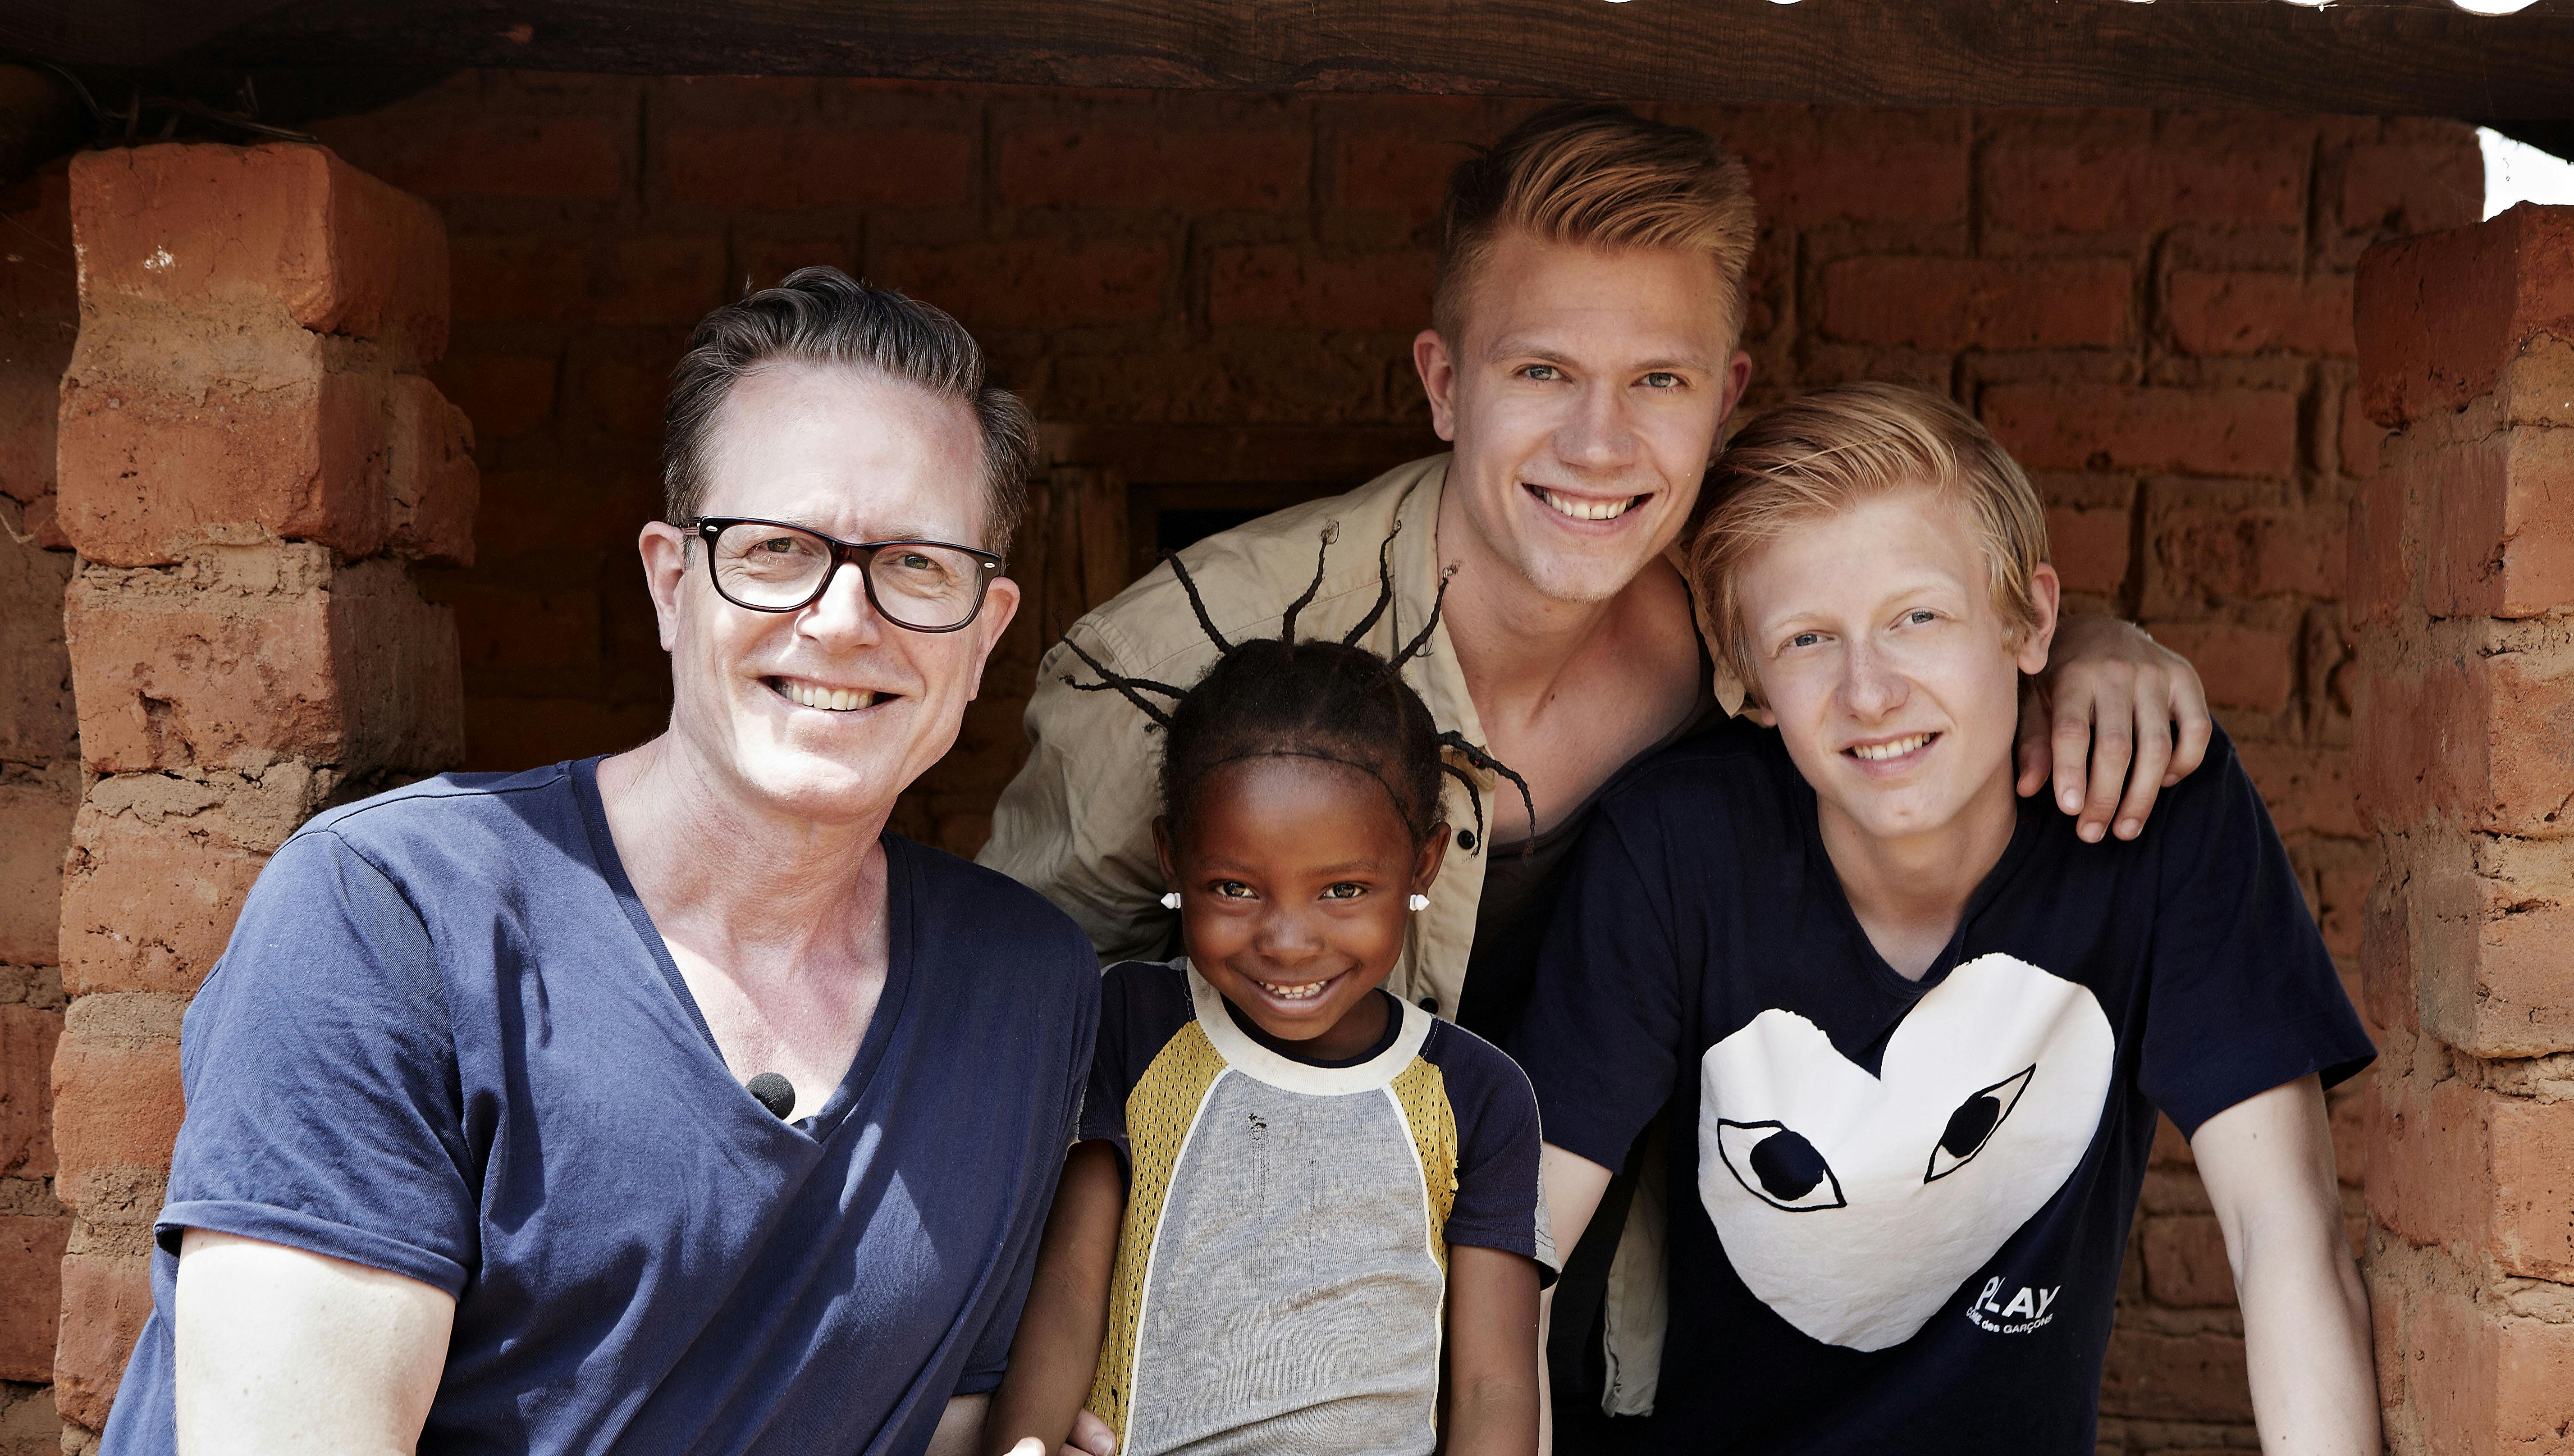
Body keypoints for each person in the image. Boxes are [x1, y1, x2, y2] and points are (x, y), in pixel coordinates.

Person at [980, 100, 2215, 1439]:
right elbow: (1002, 1046)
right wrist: (1024, 1400)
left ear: (1730, 394)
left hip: (1629, 1346)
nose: (1599, 445)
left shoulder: (1764, 640)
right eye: (1543, 374)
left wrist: (2088, 644)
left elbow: (1940, 640)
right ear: (1446, 383)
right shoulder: (1189, 656)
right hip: (1266, 1369)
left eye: (1659, 382)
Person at [101, 269, 1100, 1456]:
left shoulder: (1021, 990)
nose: (844, 618)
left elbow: (939, 1422)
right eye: (777, 550)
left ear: (985, 635)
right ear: (672, 583)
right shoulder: (396, 916)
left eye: (917, 567)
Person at [1518, 382, 2380, 1453]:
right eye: (1806, 641)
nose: (1870, 692)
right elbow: (1519, 1252)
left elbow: (2282, 1231)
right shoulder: (1680, 846)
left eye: (1917, 617)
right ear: (1745, 681)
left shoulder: (2153, 814)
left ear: (2031, 621)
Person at [983, 557, 1550, 1456]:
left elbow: (1492, 1384)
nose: (1288, 941)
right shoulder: (1133, 1020)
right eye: (1236, 885)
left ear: (1426, 864)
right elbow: (1068, 1290)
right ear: (1173, 861)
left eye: (1344, 888)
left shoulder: (1478, 1093)